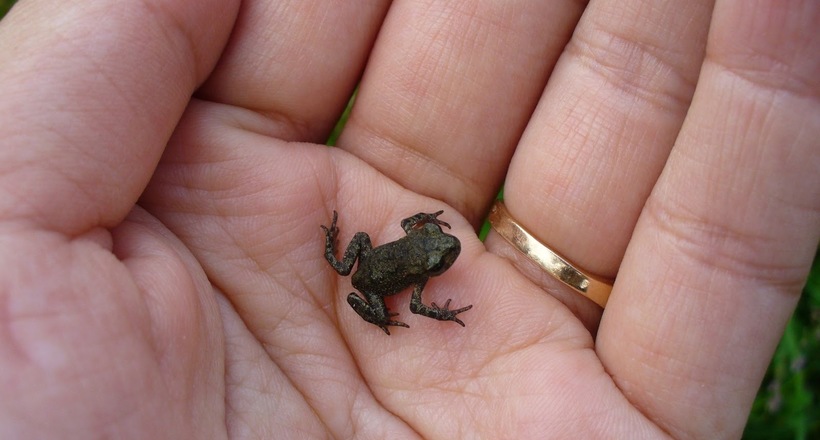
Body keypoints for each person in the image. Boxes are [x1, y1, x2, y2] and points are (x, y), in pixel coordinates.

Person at [0, 0, 816, 438]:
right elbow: (418, 304)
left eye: (437, 245)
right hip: (366, 287)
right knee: (368, 284)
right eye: (439, 248)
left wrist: (376, 258)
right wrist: (408, 316)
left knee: (359, 265)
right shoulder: (416, 275)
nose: (441, 253)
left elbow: (393, 268)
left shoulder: (409, 251)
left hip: (364, 271)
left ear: (422, 245)